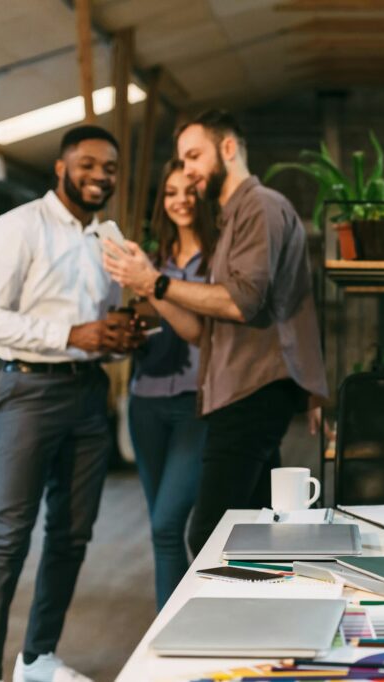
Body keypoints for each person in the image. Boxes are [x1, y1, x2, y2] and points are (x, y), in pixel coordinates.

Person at [102, 110, 328, 555]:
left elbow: (241, 302)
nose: (188, 170)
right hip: (234, 388)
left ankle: (230, 625)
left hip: (252, 389)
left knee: (207, 536)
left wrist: (157, 283)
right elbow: (197, 332)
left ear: (228, 148)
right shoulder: (230, 219)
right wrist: (146, 279)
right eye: (182, 161)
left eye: (194, 156)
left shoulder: (260, 206)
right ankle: (268, 621)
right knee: (259, 530)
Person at [0, 125, 138, 682]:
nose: (99, 176)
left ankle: (37, 657)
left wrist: (115, 333)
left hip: (88, 395)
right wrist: (74, 333)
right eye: (87, 164)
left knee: (71, 533)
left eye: (109, 167)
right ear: (61, 168)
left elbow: (101, 317)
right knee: (9, 531)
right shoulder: (16, 228)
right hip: (28, 393)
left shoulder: (108, 235)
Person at [128, 160, 217, 610]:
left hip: (196, 403)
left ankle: (190, 620)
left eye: (189, 190)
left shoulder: (221, 257)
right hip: (144, 400)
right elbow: (147, 320)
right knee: (161, 531)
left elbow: (203, 329)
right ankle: (174, 630)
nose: (179, 199)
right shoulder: (153, 257)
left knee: (169, 523)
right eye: (169, 192)